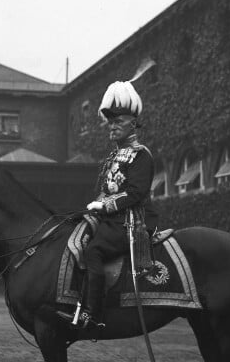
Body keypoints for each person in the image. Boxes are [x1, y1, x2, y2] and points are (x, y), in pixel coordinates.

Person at [58, 80, 158, 331]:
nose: (112, 127)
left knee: (94, 251)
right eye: (110, 122)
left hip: (131, 222)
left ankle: (93, 314)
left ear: (133, 122)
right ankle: (75, 303)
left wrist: (104, 207)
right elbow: (104, 188)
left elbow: (136, 193)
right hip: (109, 220)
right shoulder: (113, 155)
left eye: (118, 122)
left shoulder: (141, 155)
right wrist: (92, 208)